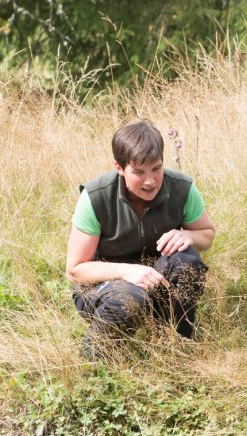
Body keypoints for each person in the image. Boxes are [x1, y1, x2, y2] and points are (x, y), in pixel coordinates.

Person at [66, 119, 215, 353]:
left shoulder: (182, 188)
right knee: (132, 297)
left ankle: (177, 344)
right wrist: (126, 271)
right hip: (109, 284)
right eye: (138, 172)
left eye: (156, 168)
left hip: (157, 276)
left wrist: (187, 235)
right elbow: (76, 269)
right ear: (119, 168)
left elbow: (207, 235)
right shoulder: (96, 197)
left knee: (187, 259)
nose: (150, 181)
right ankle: (96, 356)